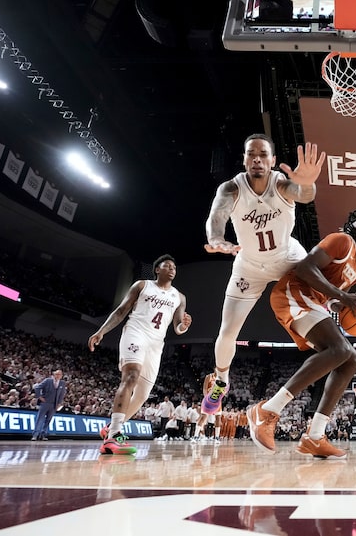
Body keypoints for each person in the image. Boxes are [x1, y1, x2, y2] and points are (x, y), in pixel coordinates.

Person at [203, 135, 325, 415]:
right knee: (227, 331)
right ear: (245, 159)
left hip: (287, 259)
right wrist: (218, 239)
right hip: (249, 266)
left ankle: (333, 318)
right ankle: (221, 380)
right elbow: (216, 218)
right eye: (251, 154)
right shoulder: (231, 188)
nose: (257, 158)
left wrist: (307, 182)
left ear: (272, 160)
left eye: (263, 154)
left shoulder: (281, 183)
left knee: (321, 282)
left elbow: (304, 195)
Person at [247, 209, 356, 459]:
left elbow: (330, 295)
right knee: (340, 350)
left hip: (313, 302)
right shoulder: (342, 241)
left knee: (352, 359)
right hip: (293, 292)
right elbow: (306, 269)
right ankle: (266, 410)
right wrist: (342, 296)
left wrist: (337, 304)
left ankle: (315, 437)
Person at [88, 254, 192, 455]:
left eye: (174, 267)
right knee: (131, 377)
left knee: (143, 394)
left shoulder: (179, 297)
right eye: (167, 265)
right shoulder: (142, 285)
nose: (172, 269)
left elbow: (178, 327)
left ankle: (110, 429)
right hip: (136, 333)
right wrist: (101, 331)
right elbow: (121, 310)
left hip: (156, 343)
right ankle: (113, 437)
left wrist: (184, 326)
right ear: (157, 269)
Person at [31, 369, 66, 441]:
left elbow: (62, 394)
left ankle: (43, 435)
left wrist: (59, 403)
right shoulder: (48, 380)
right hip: (45, 403)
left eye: (59, 374)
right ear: (54, 374)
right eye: (56, 374)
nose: (58, 376)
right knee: (40, 419)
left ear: (61, 376)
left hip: (54, 404)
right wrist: (40, 397)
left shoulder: (62, 383)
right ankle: (35, 435)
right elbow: (37, 387)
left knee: (48, 420)